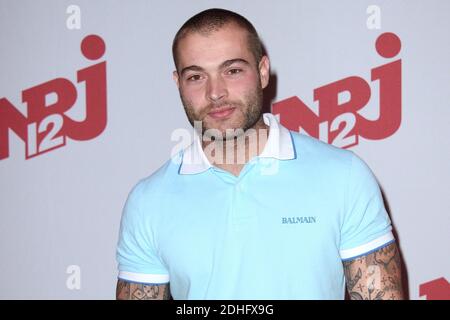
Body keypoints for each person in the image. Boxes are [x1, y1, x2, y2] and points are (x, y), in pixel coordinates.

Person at [115, 8, 404, 300]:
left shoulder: (344, 176)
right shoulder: (148, 201)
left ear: (263, 72)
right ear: (178, 83)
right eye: (196, 77)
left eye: (233, 71)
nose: (216, 92)